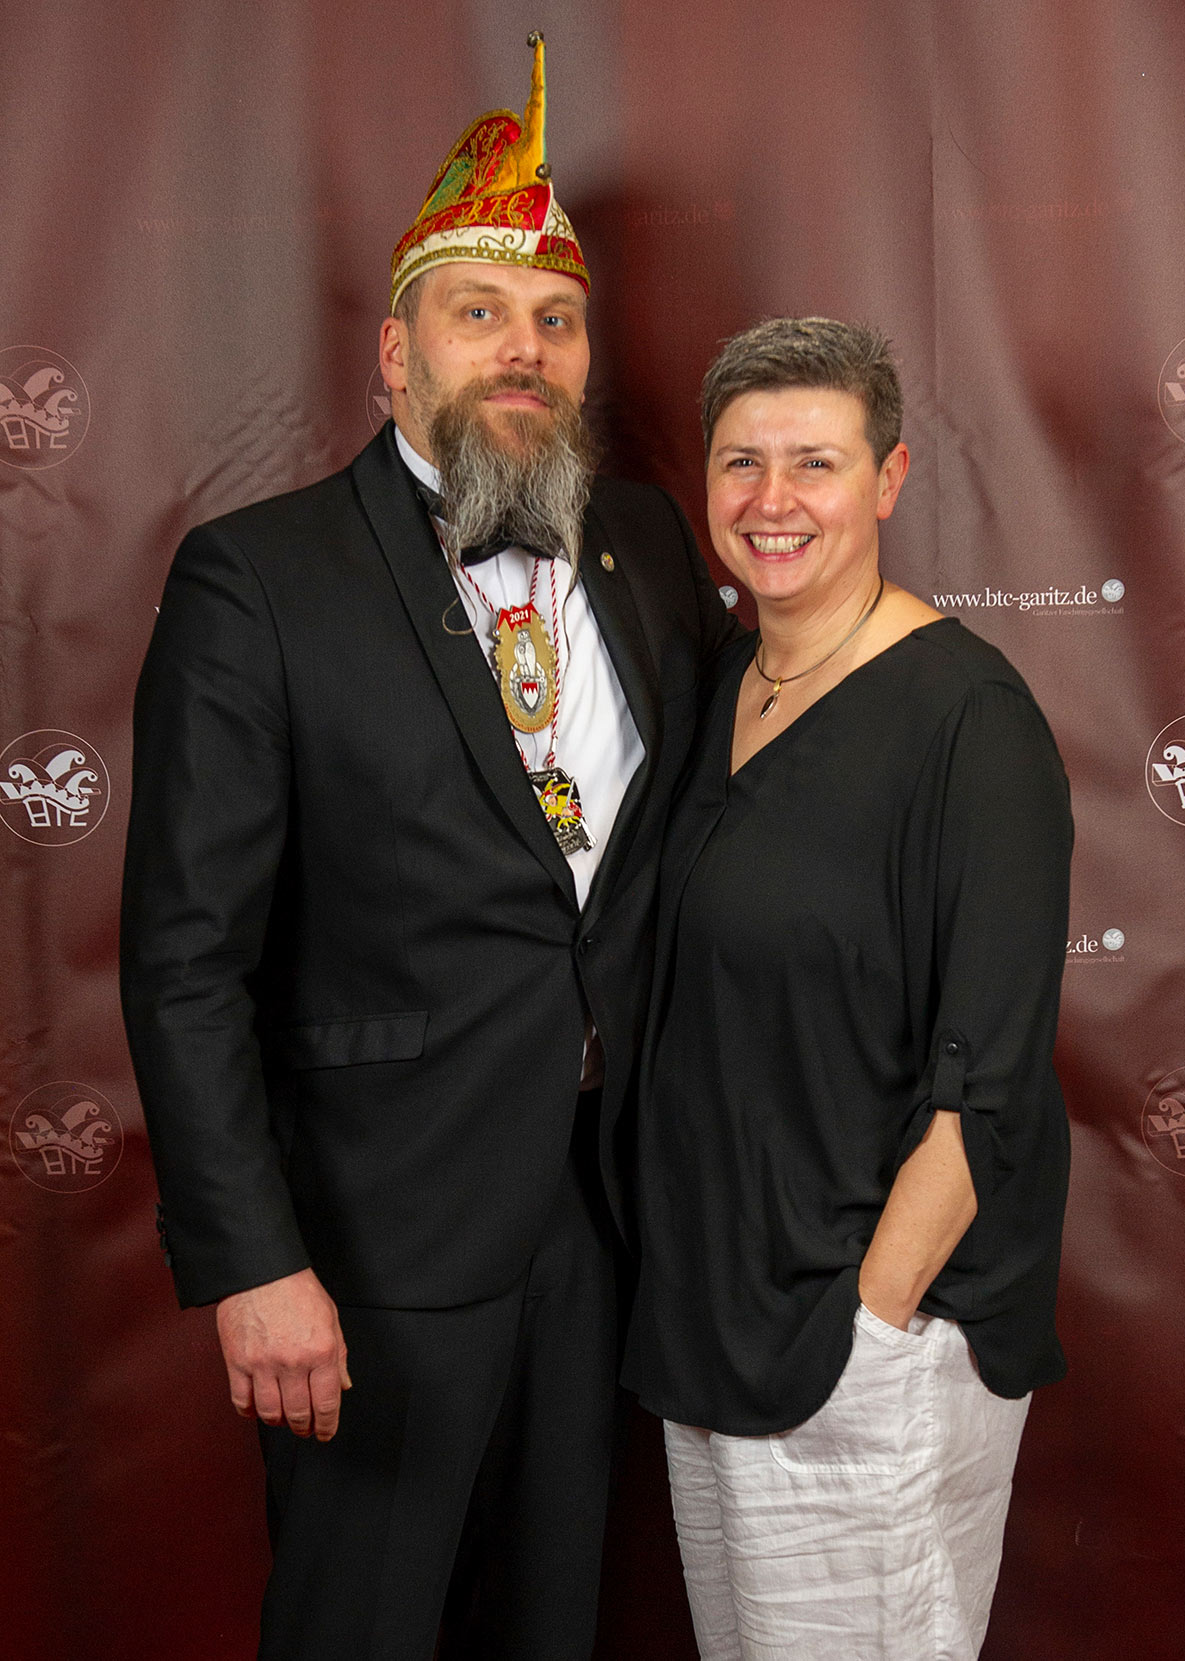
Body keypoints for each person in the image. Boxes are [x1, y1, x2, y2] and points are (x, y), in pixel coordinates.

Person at [120, 35, 734, 1661]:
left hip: (602, 1228)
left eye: (556, 319)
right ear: (397, 354)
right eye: (480, 313)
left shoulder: (649, 542)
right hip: (367, 1252)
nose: (524, 348)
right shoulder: (260, 579)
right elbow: (185, 960)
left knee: (553, 1623)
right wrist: (252, 1263)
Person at [625, 317, 1073, 1660]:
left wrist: (870, 1325)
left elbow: (987, 1084)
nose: (773, 500)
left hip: (867, 1342)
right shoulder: (721, 683)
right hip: (713, 1321)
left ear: (888, 478)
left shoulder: (969, 722)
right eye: (741, 462)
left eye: (814, 462)